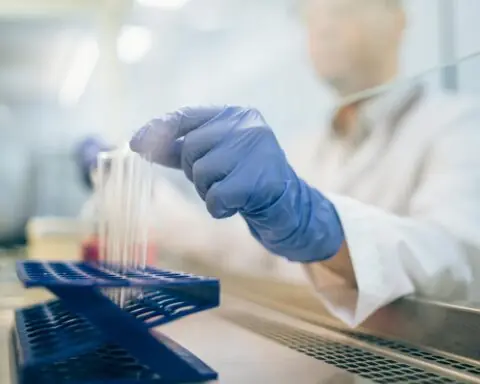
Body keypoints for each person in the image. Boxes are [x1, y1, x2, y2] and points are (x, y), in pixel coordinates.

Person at [79, 0, 480, 327]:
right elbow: (239, 248)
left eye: (341, 9)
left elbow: (458, 258)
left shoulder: (458, 126)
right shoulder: (307, 148)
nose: (321, 27)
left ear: (399, 19)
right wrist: (130, 187)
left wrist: (318, 223)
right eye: (310, 14)